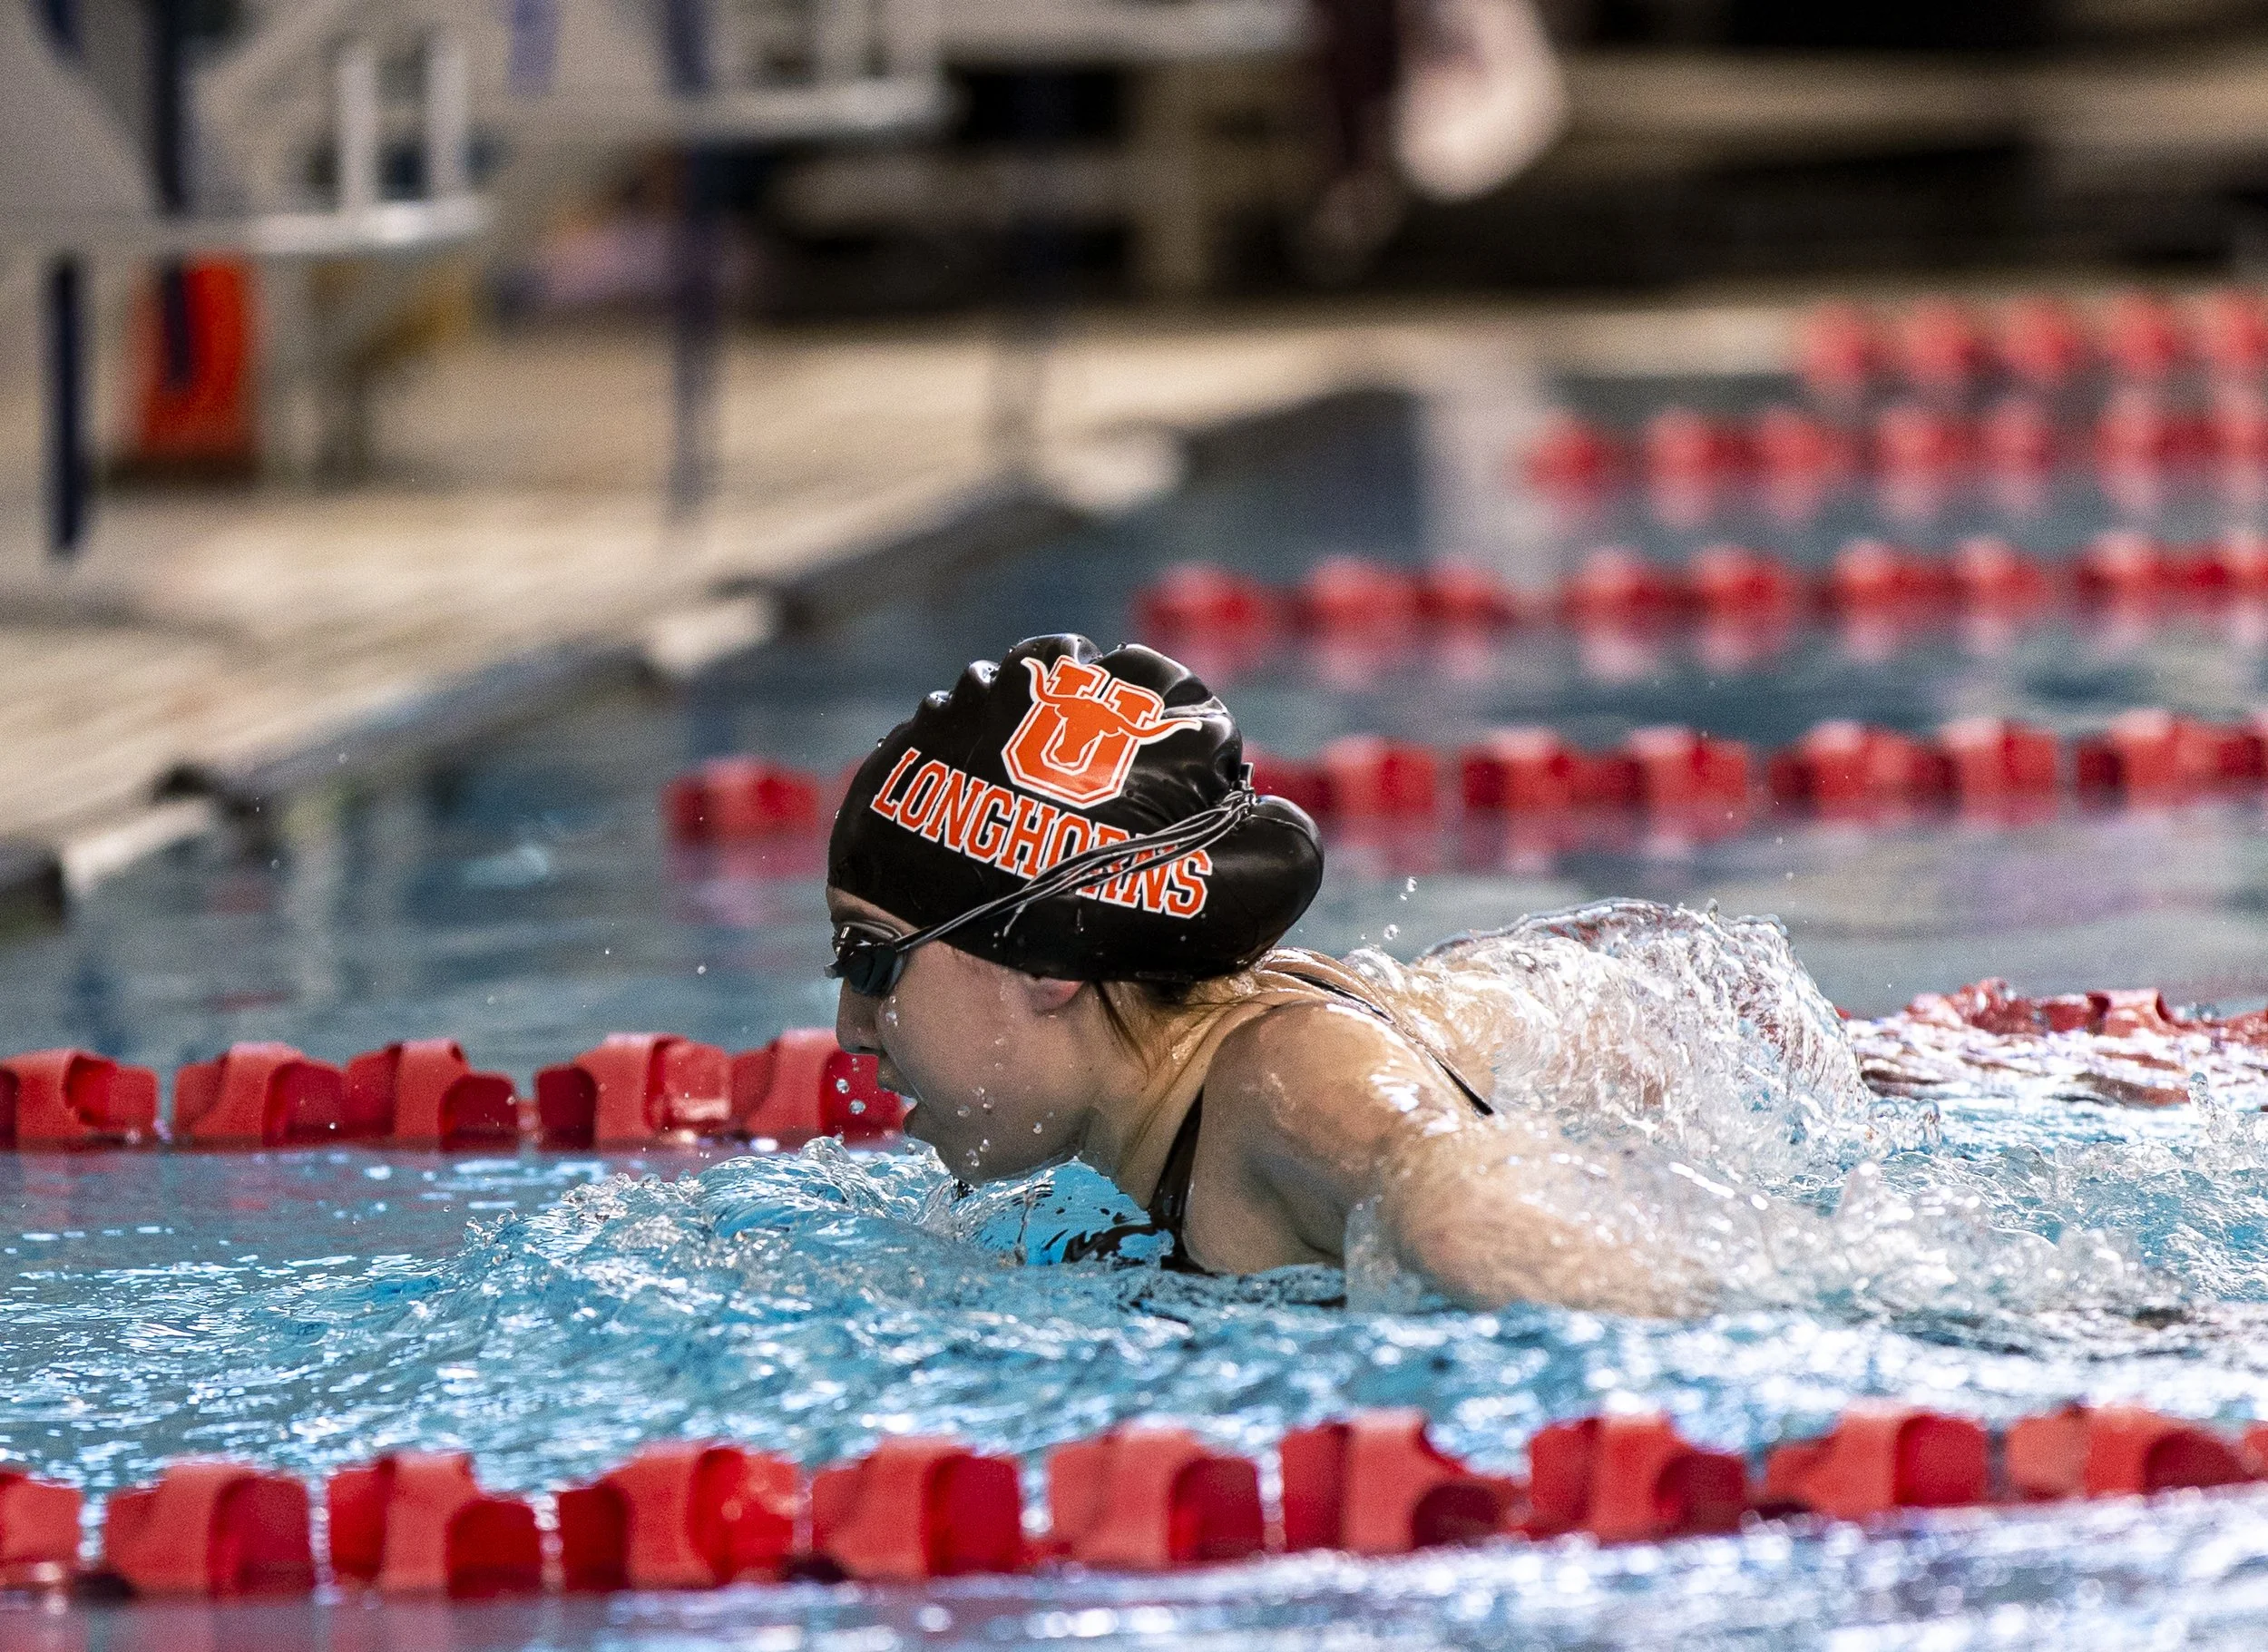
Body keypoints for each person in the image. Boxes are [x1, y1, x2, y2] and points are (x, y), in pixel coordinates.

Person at [826, 634, 1852, 1315]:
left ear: (1043, 954)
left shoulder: (1291, 1092)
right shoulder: (1188, 1083)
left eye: (871, 961)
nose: (849, 1029)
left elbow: (1463, 1207)